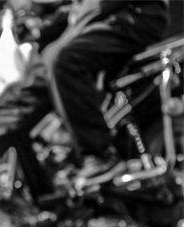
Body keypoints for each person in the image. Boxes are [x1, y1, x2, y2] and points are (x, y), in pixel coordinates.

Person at [41, 0, 170, 179]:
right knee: (51, 57)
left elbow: (97, 5)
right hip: (113, 16)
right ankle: (58, 147)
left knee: (63, 59)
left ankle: (100, 155)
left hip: (130, 18)